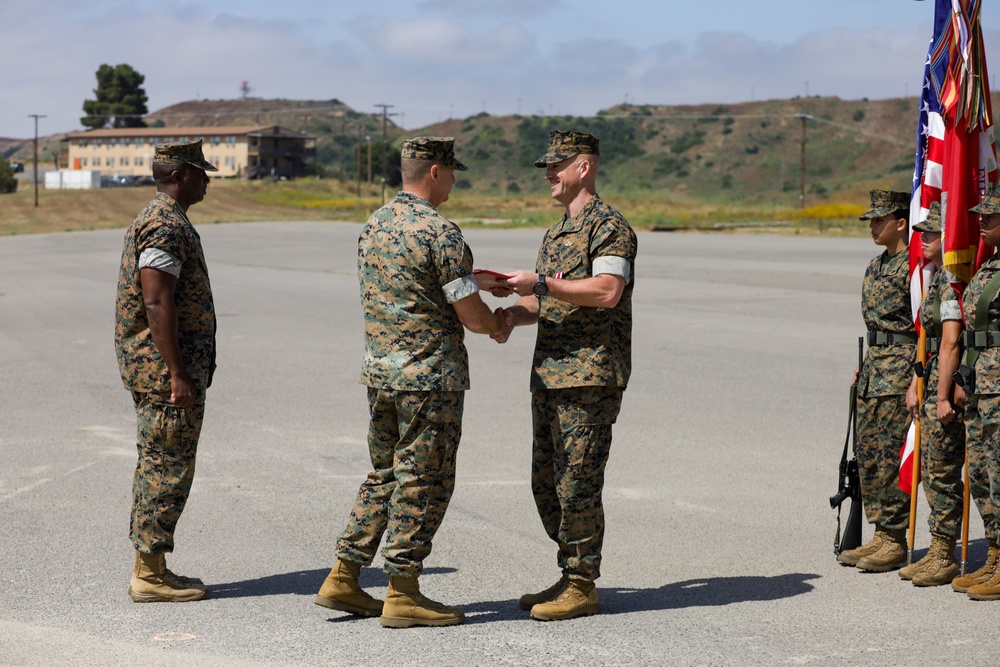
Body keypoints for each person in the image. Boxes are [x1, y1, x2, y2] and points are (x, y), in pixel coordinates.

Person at [314, 137, 508, 627]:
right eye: (453, 173)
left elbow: (415, 285)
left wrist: (473, 279)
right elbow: (472, 318)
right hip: (429, 379)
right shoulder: (441, 232)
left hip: (381, 374)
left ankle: (343, 576)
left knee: (384, 475)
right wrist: (498, 322)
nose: (455, 182)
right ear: (436, 171)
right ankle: (403, 592)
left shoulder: (375, 223)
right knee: (424, 480)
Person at [491, 130, 637, 621]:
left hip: (590, 374)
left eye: (558, 165)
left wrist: (543, 283)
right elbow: (545, 297)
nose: (550, 174)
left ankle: (582, 584)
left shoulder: (609, 227)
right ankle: (569, 571)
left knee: (578, 481)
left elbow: (606, 290)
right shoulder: (556, 233)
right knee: (546, 483)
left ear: (584, 168)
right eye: (547, 167)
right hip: (550, 374)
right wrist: (513, 310)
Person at [114, 141, 218, 602]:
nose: (207, 179)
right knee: (167, 468)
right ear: (177, 175)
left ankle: (150, 565)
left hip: (157, 369)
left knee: (158, 463)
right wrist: (177, 373)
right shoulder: (164, 225)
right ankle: (150, 574)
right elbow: (157, 301)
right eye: (200, 172)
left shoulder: (162, 218)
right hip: (163, 373)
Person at [838, 189, 915, 572]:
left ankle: (895, 539)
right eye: (871, 219)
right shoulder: (876, 266)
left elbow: (921, 328)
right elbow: (875, 325)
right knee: (869, 457)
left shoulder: (914, 268)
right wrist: (865, 364)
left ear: (901, 222)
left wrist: (919, 376)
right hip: (874, 372)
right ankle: (881, 533)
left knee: (892, 456)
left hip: (900, 373)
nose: (872, 225)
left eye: (879, 219)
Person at [899, 202, 967, 586]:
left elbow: (951, 342)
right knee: (934, 468)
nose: (924, 239)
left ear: (951, 237)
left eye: (934, 232)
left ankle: (944, 553)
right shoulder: (937, 276)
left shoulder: (954, 278)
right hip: (929, 383)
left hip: (947, 386)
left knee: (943, 471)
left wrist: (940, 396)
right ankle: (938, 547)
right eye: (923, 232)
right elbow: (926, 339)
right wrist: (915, 383)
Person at [952, 184, 1000, 598]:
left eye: (990, 216)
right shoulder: (989, 266)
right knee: (984, 475)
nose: (981, 221)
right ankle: (996, 555)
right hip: (982, 385)